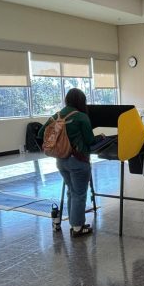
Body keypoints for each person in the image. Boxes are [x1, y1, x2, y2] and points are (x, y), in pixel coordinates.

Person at [38, 88, 99, 237]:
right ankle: (78, 227)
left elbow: (40, 133)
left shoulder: (56, 116)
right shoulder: (81, 117)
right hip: (78, 161)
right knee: (79, 194)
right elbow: (90, 140)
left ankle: (74, 222)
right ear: (80, 101)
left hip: (61, 161)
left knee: (72, 191)